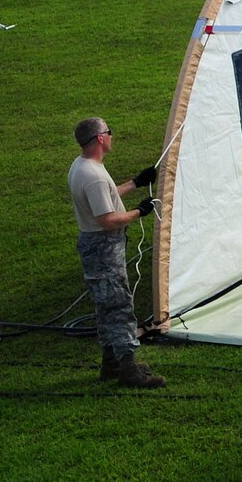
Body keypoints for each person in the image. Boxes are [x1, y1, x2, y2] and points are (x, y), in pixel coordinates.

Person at [67, 117, 165, 389]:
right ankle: (129, 370)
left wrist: (135, 182)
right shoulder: (94, 176)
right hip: (104, 247)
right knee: (119, 307)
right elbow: (108, 219)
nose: (111, 136)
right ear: (100, 138)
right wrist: (140, 212)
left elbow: (107, 196)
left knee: (105, 307)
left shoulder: (83, 166)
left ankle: (111, 363)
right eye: (109, 132)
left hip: (94, 244)